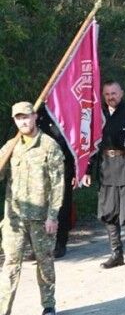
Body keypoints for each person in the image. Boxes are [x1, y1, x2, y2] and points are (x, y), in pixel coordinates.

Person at [0, 102, 64, 315]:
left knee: (45, 262)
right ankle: (3, 311)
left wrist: (53, 216)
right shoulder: (11, 146)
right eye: (18, 118)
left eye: (26, 117)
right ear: (14, 120)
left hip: (41, 218)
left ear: (35, 116)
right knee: (10, 264)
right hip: (14, 218)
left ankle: (48, 305)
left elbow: (57, 185)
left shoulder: (49, 146)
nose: (23, 122)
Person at [83, 80, 125, 270]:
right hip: (106, 168)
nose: (110, 97)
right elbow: (93, 145)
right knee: (109, 213)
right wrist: (87, 170)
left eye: (114, 93)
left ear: (121, 93)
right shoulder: (99, 115)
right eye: (107, 94)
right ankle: (116, 254)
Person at [35, 107, 75, 259]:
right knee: (41, 207)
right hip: (41, 170)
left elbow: (72, 144)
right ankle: (41, 245)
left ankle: (60, 243)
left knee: (62, 207)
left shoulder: (66, 112)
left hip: (63, 168)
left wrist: (76, 170)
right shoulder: (39, 113)